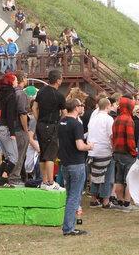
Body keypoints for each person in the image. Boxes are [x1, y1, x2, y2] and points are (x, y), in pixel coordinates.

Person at [59, 98, 93, 236]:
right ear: (76, 108)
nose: (82, 107)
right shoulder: (76, 124)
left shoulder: (61, 122)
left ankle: (69, 224)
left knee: (70, 195)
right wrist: (89, 146)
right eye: (81, 105)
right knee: (75, 196)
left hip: (65, 163)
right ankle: (68, 227)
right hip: (76, 164)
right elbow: (79, 145)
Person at [35, 70, 67, 191]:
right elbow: (64, 112)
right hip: (51, 124)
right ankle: (50, 182)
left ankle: (44, 181)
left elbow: (34, 107)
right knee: (50, 155)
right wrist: (58, 121)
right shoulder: (59, 95)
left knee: (43, 153)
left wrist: (39, 119)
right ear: (58, 80)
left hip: (40, 125)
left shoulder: (41, 91)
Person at [0, 74, 20, 187]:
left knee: (7, 157)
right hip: (6, 129)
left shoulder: (1, 95)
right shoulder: (11, 95)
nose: (17, 82)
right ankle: (3, 178)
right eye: (16, 80)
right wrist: (12, 133)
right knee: (14, 158)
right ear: (11, 82)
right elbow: (9, 115)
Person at [87, 98, 115, 209]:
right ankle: (106, 200)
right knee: (107, 176)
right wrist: (113, 149)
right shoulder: (109, 119)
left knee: (95, 175)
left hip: (92, 149)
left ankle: (94, 198)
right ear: (108, 107)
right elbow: (111, 136)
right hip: (104, 149)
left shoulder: (93, 118)